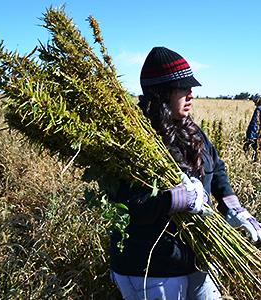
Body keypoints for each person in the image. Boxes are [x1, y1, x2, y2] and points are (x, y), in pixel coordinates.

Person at [108, 47, 261, 300]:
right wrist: (173, 199)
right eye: (183, 88)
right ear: (161, 93)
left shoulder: (190, 129)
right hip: (150, 268)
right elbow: (125, 204)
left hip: (194, 259)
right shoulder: (134, 139)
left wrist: (234, 209)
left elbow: (217, 168)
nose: (191, 94)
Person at [243, 95, 261, 161]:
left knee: (255, 159)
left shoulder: (259, 109)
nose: (254, 103)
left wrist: (249, 140)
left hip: (258, 139)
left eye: (255, 101)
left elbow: (253, 125)